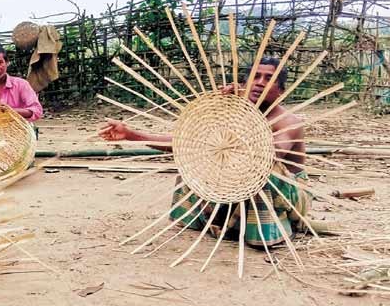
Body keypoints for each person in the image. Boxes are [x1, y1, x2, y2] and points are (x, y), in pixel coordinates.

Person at [98, 57, 310, 247]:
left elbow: (273, 155)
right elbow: (188, 142)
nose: (260, 83)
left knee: (264, 170)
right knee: (201, 155)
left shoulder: (288, 122)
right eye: (255, 77)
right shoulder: (235, 111)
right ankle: (209, 219)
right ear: (244, 83)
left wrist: (241, 117)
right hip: (242, 183)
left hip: (288, 193)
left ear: (281, 90)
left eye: (269, 79)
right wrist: (131, 134)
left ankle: (266, 232)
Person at [0, 46, 44, 122]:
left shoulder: (21, 85)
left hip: (18, 130)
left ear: (7, 63)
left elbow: (37, 111)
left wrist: (10, 111)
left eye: (0, 62)